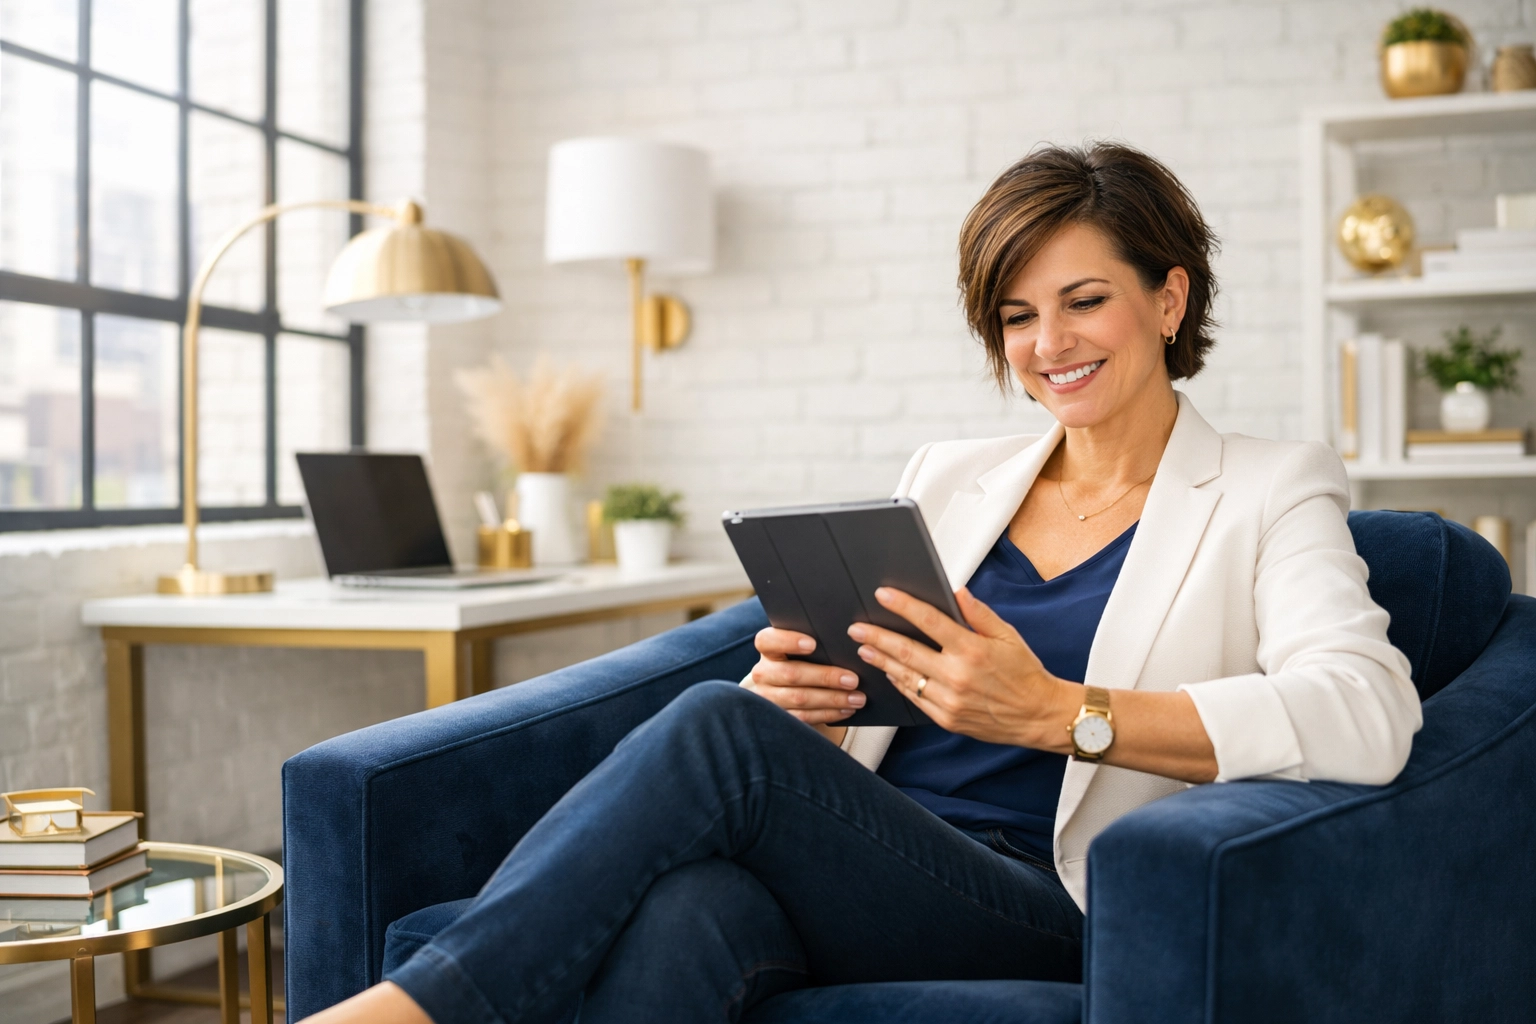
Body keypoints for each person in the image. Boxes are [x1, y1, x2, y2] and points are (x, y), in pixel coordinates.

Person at [302, 143, 1421, 1024]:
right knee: (691, 905)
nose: (1047, 344)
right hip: (871, 857)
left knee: (715, 734)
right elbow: (856, 722)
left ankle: (415, 1009)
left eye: (1085, 300)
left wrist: (1058, 714)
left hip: (1044, 895)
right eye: (1017, 315)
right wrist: (804, 707)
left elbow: (1365, 714)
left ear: (1169, 301)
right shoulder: (949, 477)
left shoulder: (1271, 488)